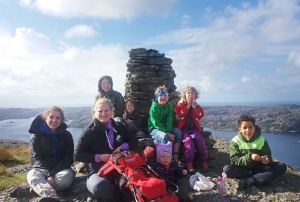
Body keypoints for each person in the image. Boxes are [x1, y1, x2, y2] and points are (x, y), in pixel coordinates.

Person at [74, 97, 139, 201]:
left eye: (106, 110)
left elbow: (134, 142)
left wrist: (122, 147)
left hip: (119, 168)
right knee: (97, 187)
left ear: (111, 111)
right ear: (95, 112)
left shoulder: (119, 127)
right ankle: (123, 195)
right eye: (100, 111)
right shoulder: (89, 132)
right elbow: (77, 155)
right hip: (98, 171)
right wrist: (99, 157)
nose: (103, 113)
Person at [10, 106, 75, 202]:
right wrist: (47, 174)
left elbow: (69, 158)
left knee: (63, 181)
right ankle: (53, 196)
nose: (54, 120)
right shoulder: (36, 136)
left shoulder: (66, 135)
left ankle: (32, 190)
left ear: (62, 120)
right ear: (45, 118)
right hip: (42, 170)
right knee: (31, 175)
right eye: (51, 117)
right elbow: (36, 159)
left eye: (58, 118)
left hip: (62, 170)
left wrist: (52, 174)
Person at [223, 114, 287, 190]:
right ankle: (261, 177)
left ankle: (249, 180)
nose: (248, 130)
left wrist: (267, 159)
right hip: (243, 168)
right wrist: (250, 157)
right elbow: (235, 161)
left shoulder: (261, 140)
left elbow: (268, 156)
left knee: (282, 166)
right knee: (227, 169)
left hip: (259, 167)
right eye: (244, 127)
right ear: (240, 129)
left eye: (250, 127)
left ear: (254, 128)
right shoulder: (235, 141)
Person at [174, 86, 208, 172]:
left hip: (194, 129)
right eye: (188, 93)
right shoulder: (180, 105)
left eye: (192, 93)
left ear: (195, 95)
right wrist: (188, 105)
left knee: (200, 139)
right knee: (188, 141)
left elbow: (199, 116)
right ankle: (189, 164)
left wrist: (193, 106)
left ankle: (204, 161)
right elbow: (180, 115)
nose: (190, 95)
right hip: (183, 129)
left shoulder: (197, 106)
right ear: (184, 95)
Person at [148, 85, 183, 163]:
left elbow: (169, 119)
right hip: (154, 128)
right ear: (157, 97)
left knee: (178, 133)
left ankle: (175, 156)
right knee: (164, 137)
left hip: (166, 128)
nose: (163, 97)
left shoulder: (169, 106)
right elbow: (156, 123)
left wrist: (169, 131)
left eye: (165, 95)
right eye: (160, 95)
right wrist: (167, 133)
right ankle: (162, 160)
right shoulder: (154, 107)